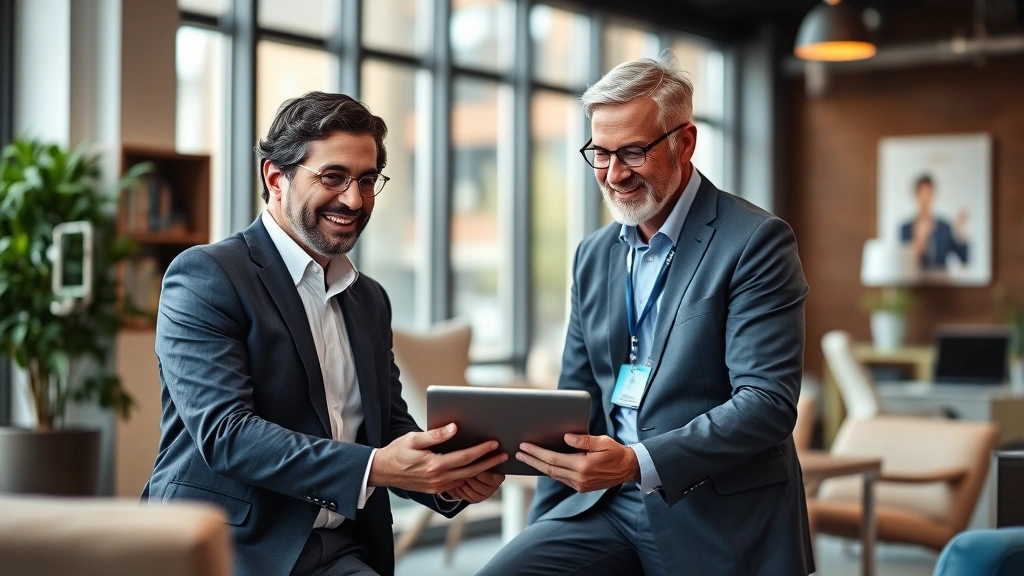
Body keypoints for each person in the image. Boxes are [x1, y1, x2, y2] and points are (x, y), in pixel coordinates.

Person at [142, 92, 506, 576]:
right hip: (228, 547)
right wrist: (375, 468)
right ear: (276, 177)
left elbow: (386, 425)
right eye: (333, 177)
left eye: (368, 180)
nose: (354, 200)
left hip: (338, 548)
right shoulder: (207, 276)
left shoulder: (369, 298)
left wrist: (443, 477)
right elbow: (226, 435)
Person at [478, 54, 814, 576]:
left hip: (713, 510)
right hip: (605, 505)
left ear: (685, 143)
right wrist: (547, 522)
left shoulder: (755, 242)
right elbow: (575, 399)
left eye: (632, 152)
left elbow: (767, 404)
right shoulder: (594, 254)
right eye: (599, 153)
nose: (613, 174)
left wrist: (638, 462)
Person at [899, 174, 969, 270]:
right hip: (914, 281)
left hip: (941, 281)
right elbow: (903, 261)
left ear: (933, 195)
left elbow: (964, 259)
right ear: (915, 196)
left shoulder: (944, 227)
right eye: (921, 194)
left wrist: (960, 231)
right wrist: (922, 238)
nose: (925, 199)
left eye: (928, 194)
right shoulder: (905, 228)